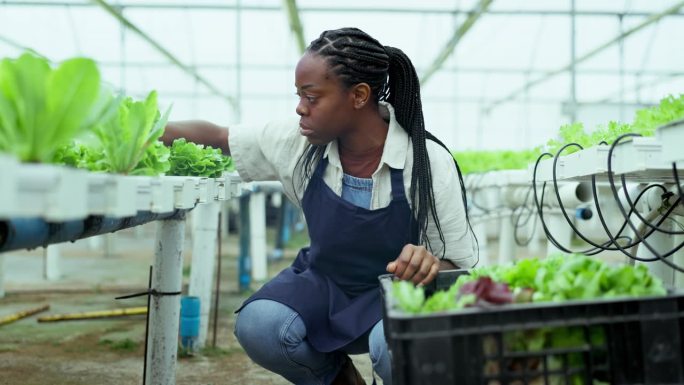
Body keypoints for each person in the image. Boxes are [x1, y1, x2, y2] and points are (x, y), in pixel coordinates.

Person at [162, 27, 475, 385]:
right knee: (260, 325)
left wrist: (430, 263)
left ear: (358, 96)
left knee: (397, 346)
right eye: (299, 96)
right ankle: (341, 378)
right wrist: (146, 129)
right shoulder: (297, 143)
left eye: (312, 97)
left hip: (397, 292)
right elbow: (220, 137)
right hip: (326, 284)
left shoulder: (427, 162)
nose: (300, 108)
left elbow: (459, 266)